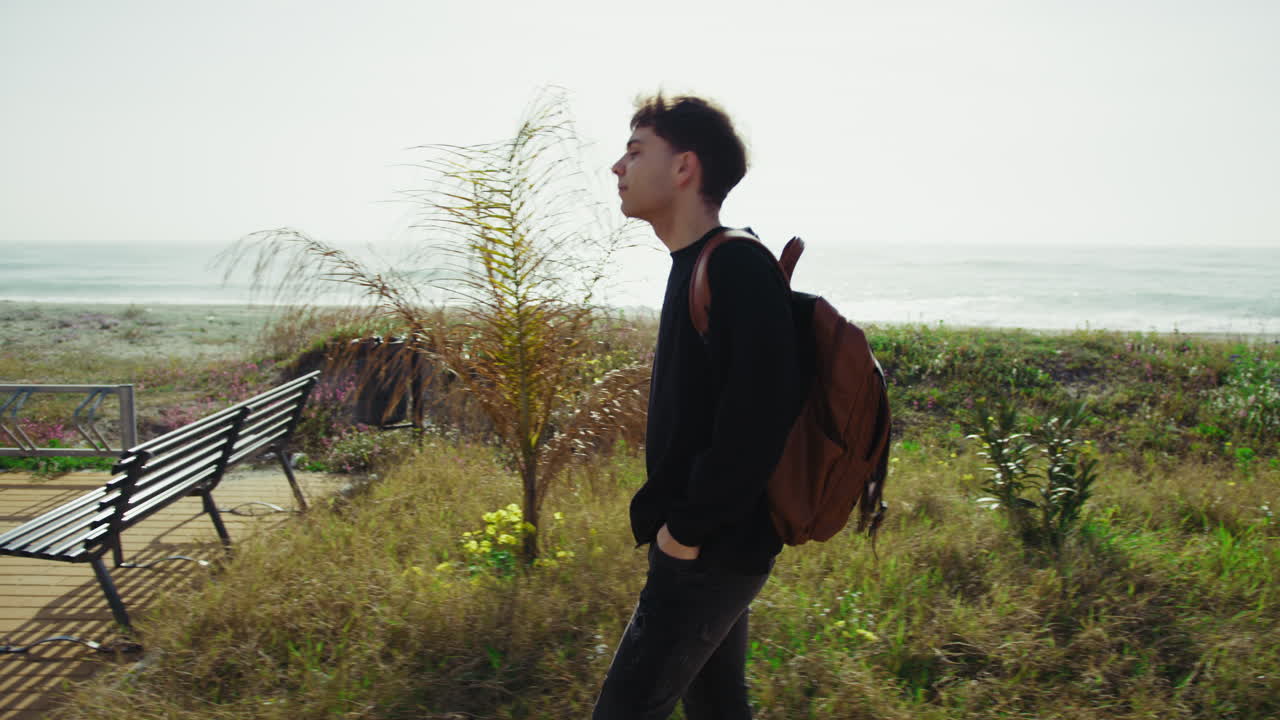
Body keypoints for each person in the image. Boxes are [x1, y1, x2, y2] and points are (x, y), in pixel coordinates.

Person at [592, 94, 800, 719]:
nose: (617, 168)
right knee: (716, 707)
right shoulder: (699, 262)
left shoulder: (733, 263)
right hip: (706, 541)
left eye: (635, 151)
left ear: (684, 169)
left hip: (711, 548)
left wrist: (685, 532)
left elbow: (762, 414)